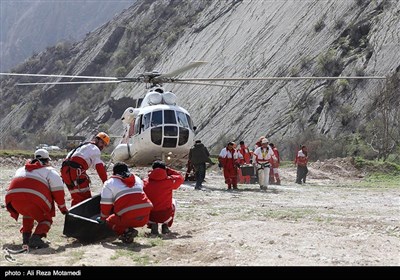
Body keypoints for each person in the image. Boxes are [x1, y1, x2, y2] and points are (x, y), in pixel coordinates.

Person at [5, 149, 68, 249]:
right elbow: (58, 192)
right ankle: (36, 238)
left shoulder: (21, 169)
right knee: (45, 219)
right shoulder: (50, 171)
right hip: (34, 199)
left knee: (27, 213)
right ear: (47, 160)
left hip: (12, 200)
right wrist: (63, 209)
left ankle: (26, 237)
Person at [99, 162, 153, 244]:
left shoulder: (110, 183)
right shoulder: (137, 178)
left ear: (114, 172)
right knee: (126, 213)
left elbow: (105, 205)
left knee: (109, 220)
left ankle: (126, 232)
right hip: (144, 217)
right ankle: (128, 229)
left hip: (128, 217)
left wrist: (103, 218)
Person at [61, 132, 110, 206]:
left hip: (65, 171)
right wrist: (106, 183)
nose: (102, 146)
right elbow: (99, 168)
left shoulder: (84, 146)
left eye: (104, 145)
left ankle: (72, 215)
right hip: (76, 171)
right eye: (102, 143)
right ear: (96, 140)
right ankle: (80, 216)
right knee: (85, 197)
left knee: (76, 197)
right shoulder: (95, 149)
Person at [143, 160, 184, 235]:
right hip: (165, 216)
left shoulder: (145, 181)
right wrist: (168, 170)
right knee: (174, 201)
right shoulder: (169, 181)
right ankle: (165, 225)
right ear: (164, 169)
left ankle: (152, 224)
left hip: (150, 216)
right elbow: (181, 177)